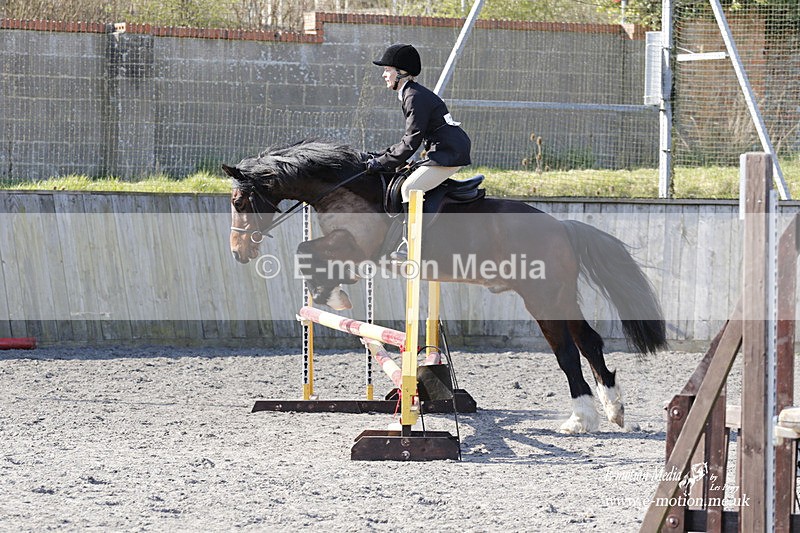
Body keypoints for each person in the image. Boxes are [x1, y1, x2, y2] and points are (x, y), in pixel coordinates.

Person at [365, 43, 472, 259]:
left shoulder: (414, 96)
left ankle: (411, 244)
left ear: (401, 72)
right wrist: (383, 156)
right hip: (441, 151)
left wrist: (383, 162)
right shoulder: (411, 93)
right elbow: (411, 139)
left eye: (388, 70)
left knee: (409, 188)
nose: (384, 75)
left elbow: (411, 141)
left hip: (449, 154)